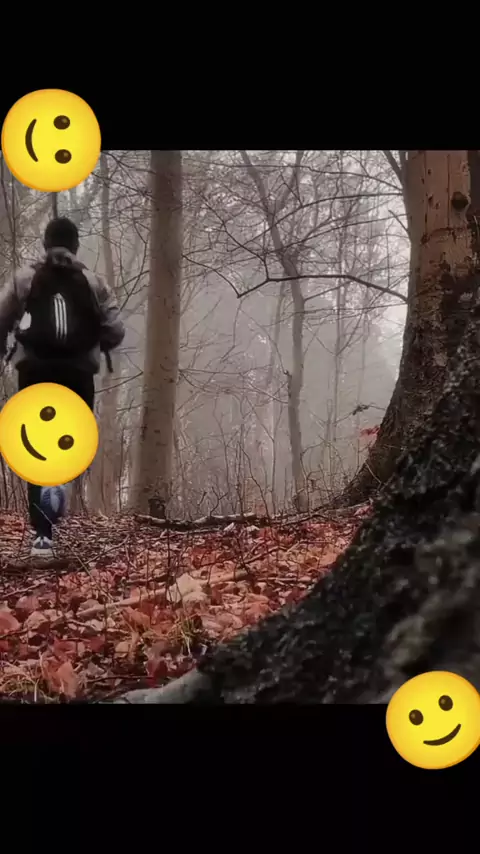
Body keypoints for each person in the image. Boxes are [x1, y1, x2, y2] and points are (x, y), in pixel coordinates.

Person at [0, 217, 125, 558]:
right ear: (76, 246)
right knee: (73, 442)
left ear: (45, 244)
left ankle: (42, 536)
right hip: (78, 373)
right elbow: (116, 329)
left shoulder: (25, 277)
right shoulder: (93, 281)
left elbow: (1, 317)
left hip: (34, 371)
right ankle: (61, 483)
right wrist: (95, 341)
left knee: (34, 446)